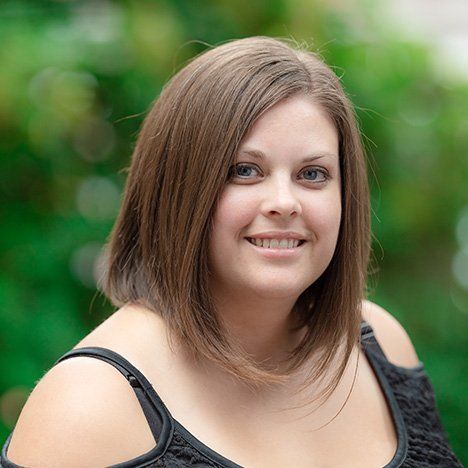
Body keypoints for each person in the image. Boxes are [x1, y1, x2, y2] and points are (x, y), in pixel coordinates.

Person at [1, 36, 462, 468]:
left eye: (313, 174)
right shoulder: (90, 405)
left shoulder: (377, 341)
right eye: (245, 170)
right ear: (176, 190)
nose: (284, 201)